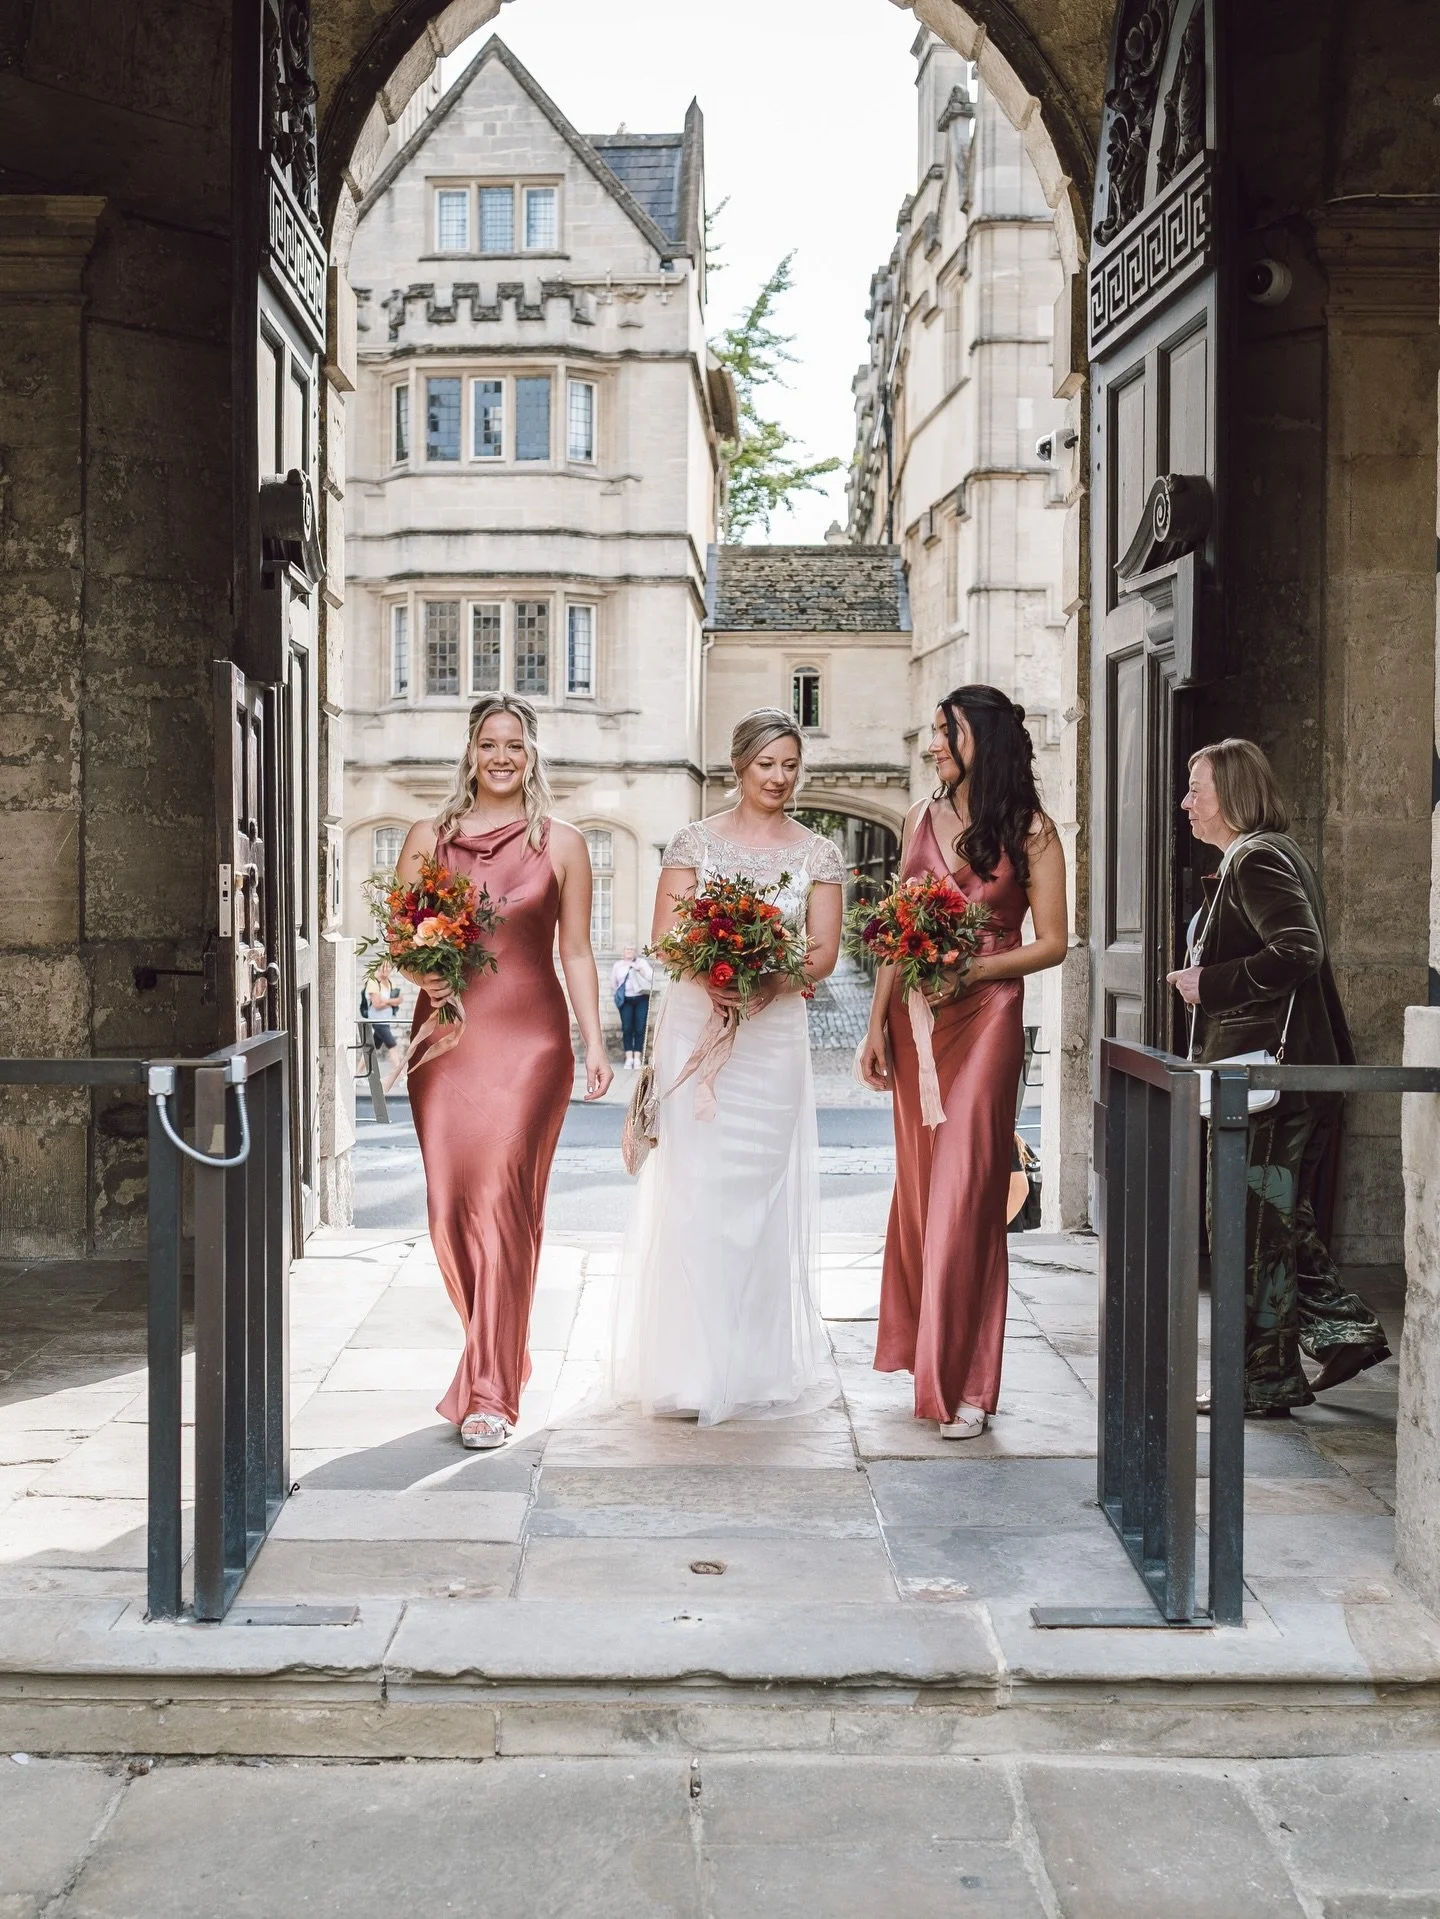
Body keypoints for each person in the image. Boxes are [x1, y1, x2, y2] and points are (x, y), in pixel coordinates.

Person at [608, 708, 845, 1424]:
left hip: (772, 1040)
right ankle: (686, 1368)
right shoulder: (693, 841)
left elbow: (822, 953)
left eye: (790, 765)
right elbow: (665, 937)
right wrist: (713, 975)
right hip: (693, 1025)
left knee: (758, 1193)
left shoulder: (819, 854)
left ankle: (750, 1365)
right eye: (767, 764)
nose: (779, 777)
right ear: (739, 765)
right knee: (695, 1186)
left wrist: (764, 981)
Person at [394, 695, 613, 1451]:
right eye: (489, 743)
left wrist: (596, 1041)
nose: (501, 756)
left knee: (503, 1204)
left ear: (532, 753)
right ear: (470, 750)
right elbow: (400, 935)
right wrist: (422, 975)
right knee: (451, 1210)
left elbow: (576, 950)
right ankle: (496, 1352)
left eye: (514, 744)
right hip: (446, 1042)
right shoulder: (430, 836)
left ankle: (491, 1390)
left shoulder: (564, 842)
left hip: (530, 1044)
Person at [858, 687, 1068, 1439]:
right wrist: (877, 1025)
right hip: (919, 1021)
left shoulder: (1034, 831)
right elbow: (896, 927)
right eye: (933, 731)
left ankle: (972, 1382)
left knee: (967, 1196)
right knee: (920, 1193)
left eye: (947, 730)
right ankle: (931, 1358)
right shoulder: (920, 816)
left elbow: (1053, 942)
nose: (934, 744)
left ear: (985, 735)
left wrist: (977, 970)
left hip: (988, 1015)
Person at [1166, 738, 1389, 1416]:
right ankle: (1339, 1334)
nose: (1185, 803)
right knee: (1273, 1221)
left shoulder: (1258, 857)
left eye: (1196, 790)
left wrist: (1209, 982)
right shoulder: (1262, 854)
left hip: (1267, 1078)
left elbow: (1298, 949)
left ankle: (1261, 1380)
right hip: (1276, 1076)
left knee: (1245, 1229)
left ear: (1232, 797)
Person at [611, 944, 654, 1069]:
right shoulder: (618, 965)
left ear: (636, 952)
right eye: (627, 949)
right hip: (626, 1000)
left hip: (641, 998)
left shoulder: (642, 963)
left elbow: (651, 977)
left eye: (632, 949)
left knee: (640, 1028)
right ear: (623, 952)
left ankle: (637, 1058)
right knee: (627, 1028)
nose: (629, 951)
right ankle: (629, 1058)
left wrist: (640, 970)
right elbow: (614, 984)